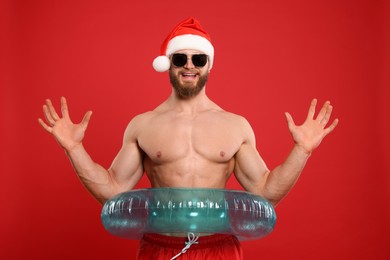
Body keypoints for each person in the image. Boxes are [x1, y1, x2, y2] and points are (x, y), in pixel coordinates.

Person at [38, 17, 338, 260]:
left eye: (199, 59)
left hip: (219, 246)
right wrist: (74, 148)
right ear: (169, 63)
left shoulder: (235, 125)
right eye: (180, 58)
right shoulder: (143, 125)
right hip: (159, 246)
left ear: (210, 64)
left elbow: (266, 193)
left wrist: (302, 150)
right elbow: (112, 192)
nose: (190, 66)